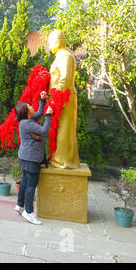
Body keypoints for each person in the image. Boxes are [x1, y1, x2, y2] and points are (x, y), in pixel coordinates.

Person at [14, 97, 53, 225]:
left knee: (25, 180)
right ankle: (29, 212)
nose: (31, 106)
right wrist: (48, 115)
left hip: (25, 157)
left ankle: (20, 205)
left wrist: (42, 101)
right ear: (26, 111)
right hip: (31, 158)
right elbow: (44, 130)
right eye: (29, 106)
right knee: (31, 184)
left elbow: (37, 114)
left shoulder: (25, 121)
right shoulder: (28, 123)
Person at [48, 30, 80, 169]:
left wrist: (55, 99)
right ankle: (58, 158)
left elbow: (65, 79)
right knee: (59, 129)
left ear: (57, 41)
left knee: (64, 131)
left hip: (64, 98)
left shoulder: (65, 56)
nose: (49, 45)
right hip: (60, 97)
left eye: (50, 42)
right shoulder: (61, 56)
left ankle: (64, 161)